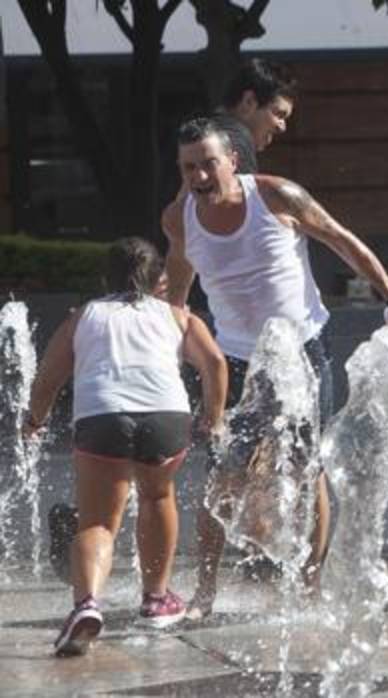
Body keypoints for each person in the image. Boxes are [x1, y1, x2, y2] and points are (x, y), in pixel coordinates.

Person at [46, 59, 299, 581]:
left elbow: (188, 225)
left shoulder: (203, 144)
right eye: (276, 113)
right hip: (216, 337)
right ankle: (247, 560)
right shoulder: (223, 151)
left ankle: (95, 544)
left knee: (138, 451)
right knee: (216, 457)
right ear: (248, 102)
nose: (280, 126)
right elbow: (189, 228)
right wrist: (178, 310)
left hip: (180, 317)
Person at [162, 117, 388, 618]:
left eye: (208, 164)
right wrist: (167, 342)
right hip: (233, 361)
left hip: (302, 349)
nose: (199, 177)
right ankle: (205, 592)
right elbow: (177, 289)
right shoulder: (179, 219)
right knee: (223, 475)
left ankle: (308, 586)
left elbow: (342, 240)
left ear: (232, 161)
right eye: (188, 168)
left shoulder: (276, 196)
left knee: (307, 467)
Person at [23, 237, 228, 656]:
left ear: (105, 279)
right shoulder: (178, 317)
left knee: (99, 523)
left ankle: (86, 605)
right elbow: (215, 363)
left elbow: (49, 375)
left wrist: (35, 419)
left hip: (103, 417)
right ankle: (156, 599)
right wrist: (214, 415)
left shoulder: (84, 316)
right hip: (166, 417)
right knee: (157, 495)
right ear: (158, 280)